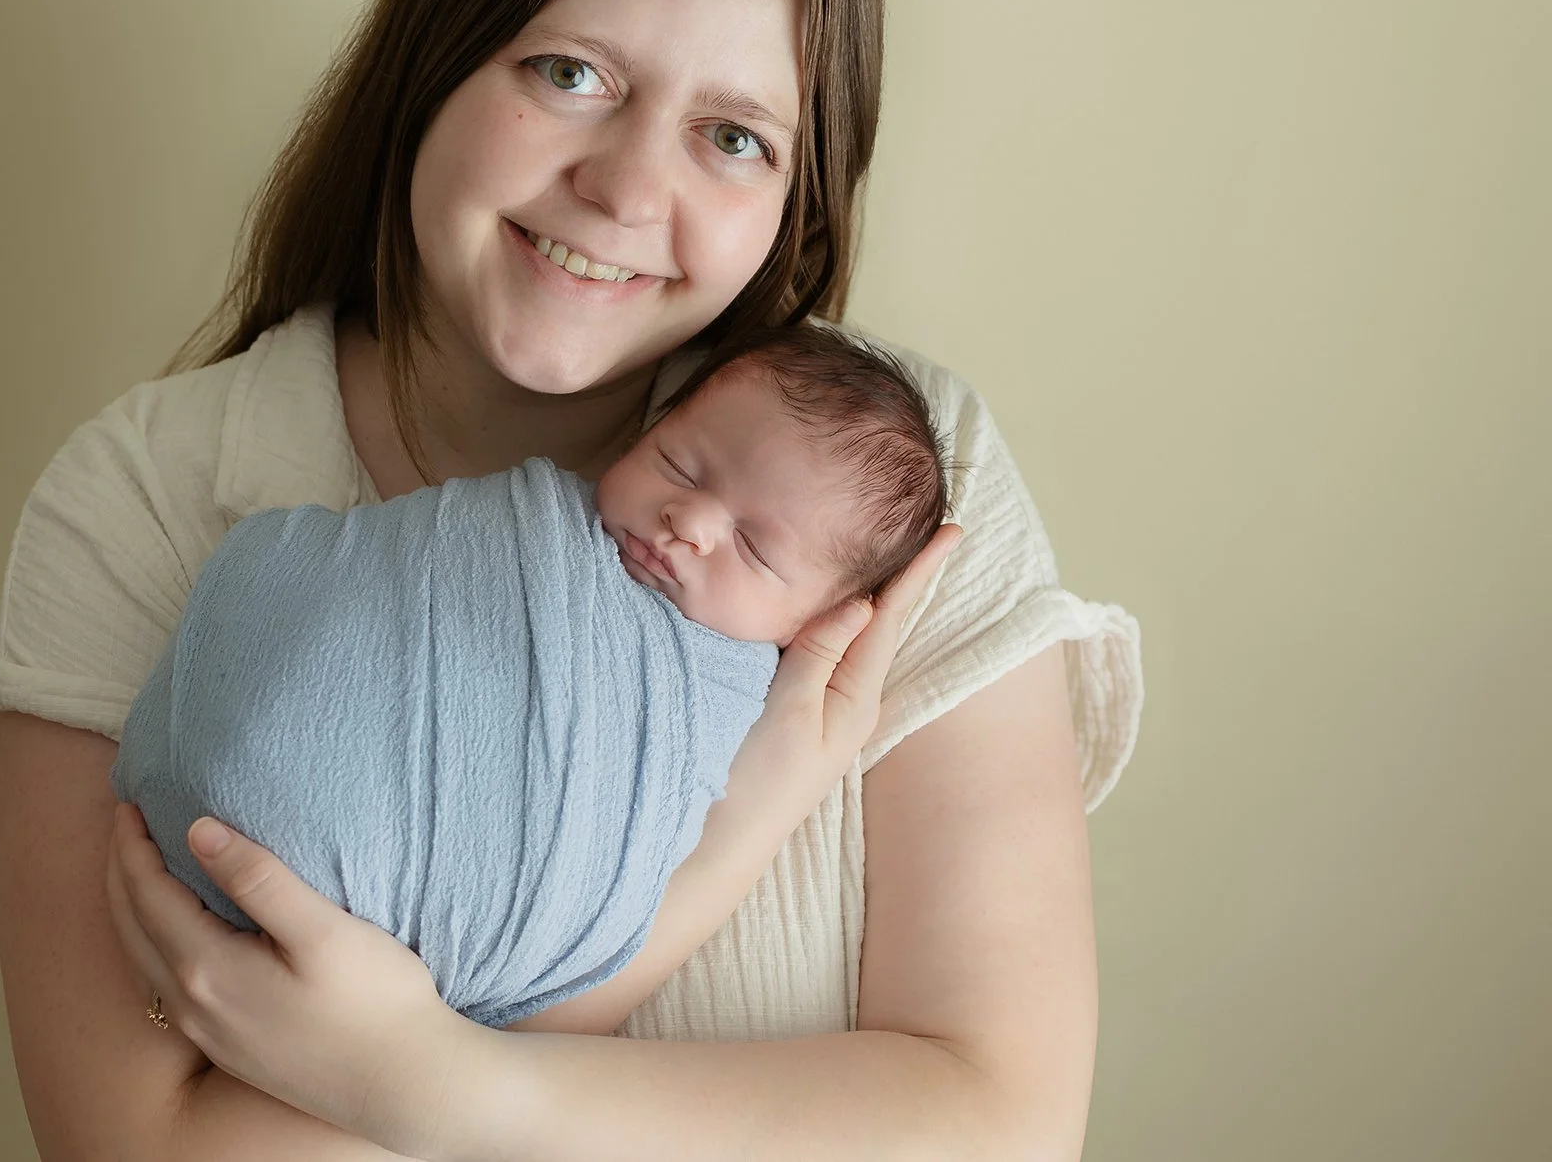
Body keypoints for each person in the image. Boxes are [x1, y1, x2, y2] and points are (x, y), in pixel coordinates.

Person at [0, 0, 1143, 1156]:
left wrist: (441, 1085)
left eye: (733, 136)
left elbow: (1000, 1122)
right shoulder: (147, 500)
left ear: (798, 200)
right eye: (572, 73)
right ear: (433, 59)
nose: (625, 189)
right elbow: (139, 1148)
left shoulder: (895, 492)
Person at [109, 325, 948, 1030]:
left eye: (755, 547)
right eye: (678, 465)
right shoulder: (535, 531)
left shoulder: (729, 691)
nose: (687, 521)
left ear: (816, 623)